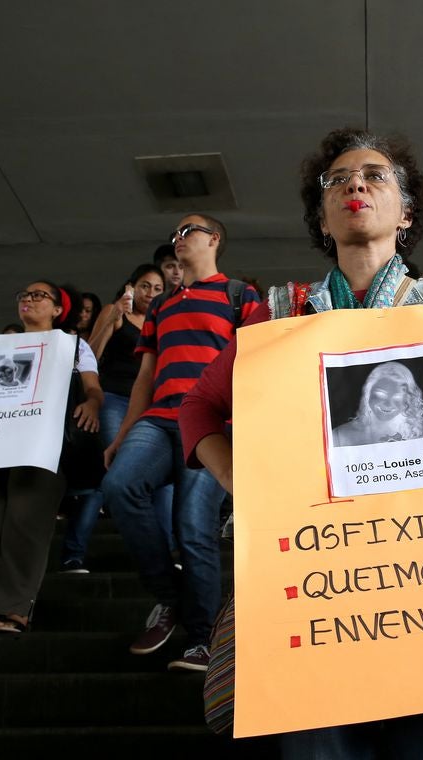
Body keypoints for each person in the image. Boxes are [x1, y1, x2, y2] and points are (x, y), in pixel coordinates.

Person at [179, 127, 423, 760]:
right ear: (322, 216)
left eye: (377, 175)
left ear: (406, 213)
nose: (357, 184)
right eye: (339, 179)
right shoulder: (279, 316)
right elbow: (199, 408)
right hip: (319, 579)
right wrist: (245, 483)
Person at [101, 213, 261, 672]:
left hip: (214, 424)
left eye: (187, 231)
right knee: (118, 486)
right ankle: (172, 596)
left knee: (194, 527)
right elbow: (145, 376)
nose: (178, 239)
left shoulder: (239, 296)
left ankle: (202, 641)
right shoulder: (162, 306)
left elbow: (254, 364)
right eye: (175, 234)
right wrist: (127, 431)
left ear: (213, 239)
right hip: (159, 419)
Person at [0, 281, 102, 634]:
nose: (29, 300)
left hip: (40, 445)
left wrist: (91, 404)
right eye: (24, 295)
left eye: (39, 295)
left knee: (26, 525)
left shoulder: (73, 346)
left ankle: (14, 610)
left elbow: (92, 387)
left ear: (59, 310)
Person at [57, 264, 169, 573]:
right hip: (114, 398)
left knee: (158, 476)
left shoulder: (161, 319)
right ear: (131, 286)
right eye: (145, 286)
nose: (151, 293)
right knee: (109, 472)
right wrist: (113, 317)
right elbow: (89, 352)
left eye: (158, 288)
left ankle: (162, 556)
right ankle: (73, 553)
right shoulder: (115, 311)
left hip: (149, 403)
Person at [332, 361, 423, 446]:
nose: (388, 404)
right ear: (368, 393)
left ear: (408, 399)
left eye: (397, 397)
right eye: (381, 395)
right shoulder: (339, 436)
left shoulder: (421, 431)